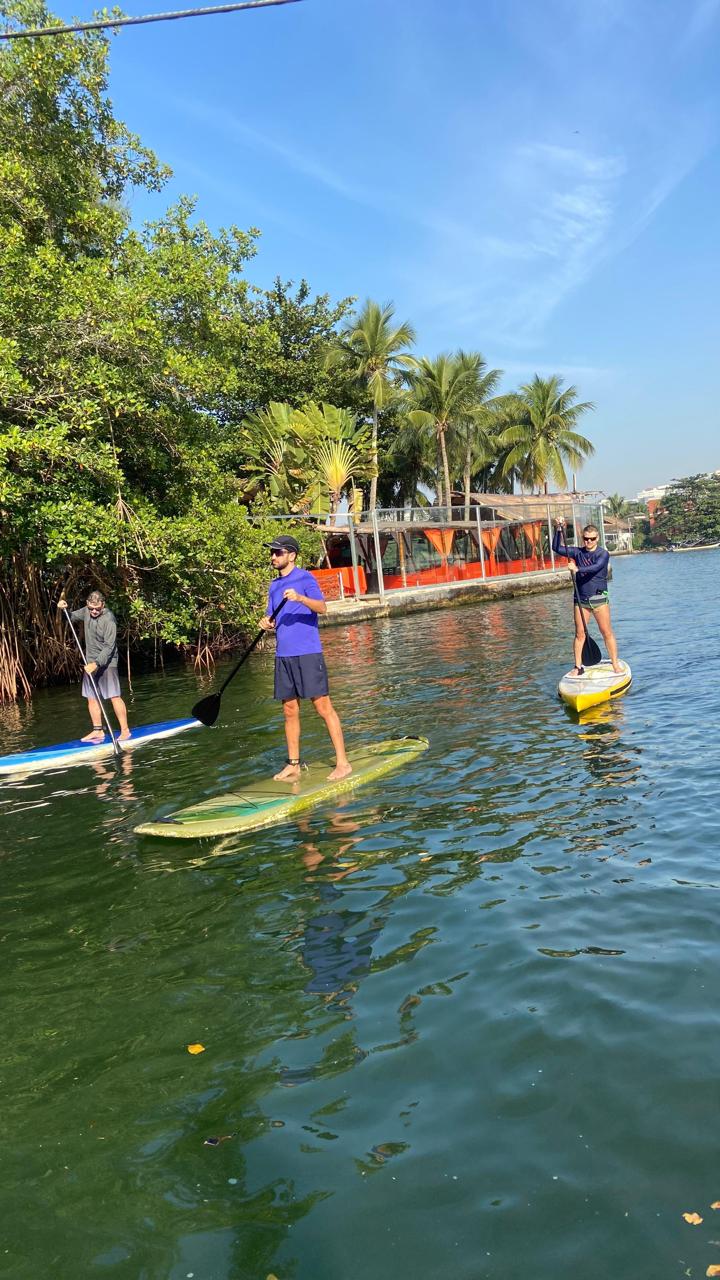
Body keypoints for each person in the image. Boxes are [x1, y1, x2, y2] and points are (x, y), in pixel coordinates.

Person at [260, 534, 352, 783]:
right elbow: (272, 617)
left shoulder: (305, 578)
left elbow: (322, 608)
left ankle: (343, 763)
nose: (273, 557)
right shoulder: (273, 586)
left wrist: (300, 598)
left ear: (291, 555)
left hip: (308, 653)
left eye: (278, 553)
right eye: (272, 552)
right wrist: (266, 622)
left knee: (323, 707)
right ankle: (293, 765)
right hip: (284, 655)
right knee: (289, 710)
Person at [57, 590, 131, 742]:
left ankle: (125, 731)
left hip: (107, 662)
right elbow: (69, 618)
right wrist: (62, 609)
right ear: (87, 605)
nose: (94, 611)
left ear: (103, 605)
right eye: (91, 608)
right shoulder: (85, 611)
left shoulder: (109, 619)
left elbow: (109, 646)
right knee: (91, 697)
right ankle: (98, 731)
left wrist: (96, 664)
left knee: (113, 696)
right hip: (90, 661)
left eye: (97, 608)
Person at [552, 518, 623, 676]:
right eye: (586, 539)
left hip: (599, 601)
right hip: (581, 601)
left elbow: (596, 567)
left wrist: (577, 569)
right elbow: (556, 547)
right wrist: (558, 529)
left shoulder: (603, 554)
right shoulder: (577, 552)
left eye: (592, 539)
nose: (589, 541)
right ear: (583, 538)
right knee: (579, 634)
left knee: (607, 633)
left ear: (597, 538)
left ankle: (615, 664)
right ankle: (578, 667)